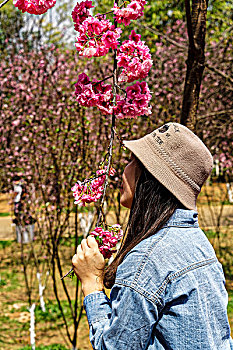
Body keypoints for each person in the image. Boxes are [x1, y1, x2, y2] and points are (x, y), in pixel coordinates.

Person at [72, 122, 233, 349]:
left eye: (132, 161)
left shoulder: (146, 260)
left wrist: (92, 283)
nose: (124, 170)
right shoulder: (199, 243)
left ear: (149, 179)